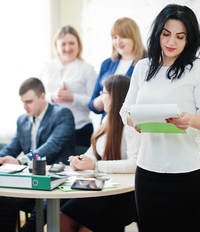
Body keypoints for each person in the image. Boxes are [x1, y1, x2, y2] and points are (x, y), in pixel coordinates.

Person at [120, 4, 200, 231]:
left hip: (188, 174)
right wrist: (135, 120)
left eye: (180, 36)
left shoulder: (198, 68)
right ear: (158, 33)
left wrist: (190, 120)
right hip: (147, 172)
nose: (171, 42)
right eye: (166, 34)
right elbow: (125, 110)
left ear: (189, 39)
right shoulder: (142, 67)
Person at [0, 77, 75, 232]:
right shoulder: (22, 120)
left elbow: (52, 146)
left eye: (29, 101)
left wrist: (22, 161)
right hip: (30, 181)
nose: (25, 106)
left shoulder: (62, 114)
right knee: (2, 203)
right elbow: (11, 149)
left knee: (42, 208)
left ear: (42, 96)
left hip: (56, 182)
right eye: (23, 102)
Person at [60, 75, 141, 232]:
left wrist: (95, 165)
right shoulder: (107, 120)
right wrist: (81, 160)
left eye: (104, 93)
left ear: (115, 96)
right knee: (63, 216)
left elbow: (135, 164)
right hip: (103, 188)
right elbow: (93, 153)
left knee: (86, 228)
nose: (100, 98)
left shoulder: (132, 125)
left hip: (124, 194)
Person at [39, 25, 97, 147]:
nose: (68, 48)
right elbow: (38, 96)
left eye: (72, 43)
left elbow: (94, 102)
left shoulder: (87, 69)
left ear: (78, 45)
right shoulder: (47, 67)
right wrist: (52, 97)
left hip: (80, 129)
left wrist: (73, 97)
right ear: (56, 45)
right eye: (63, 44)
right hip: (51, 128)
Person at [89, 17, 147, 120]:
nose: (118, 41)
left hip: (131, 124)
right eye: (115, 37)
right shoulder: (107, 64)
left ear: (134, 37)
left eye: (123, 37)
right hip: (108, 125)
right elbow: (92, 103)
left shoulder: (147, 62)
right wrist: (102, 99)